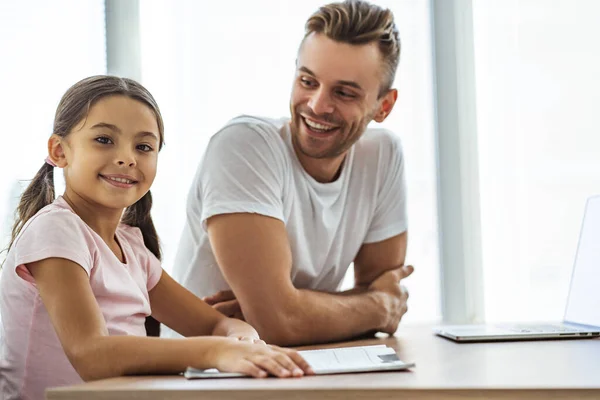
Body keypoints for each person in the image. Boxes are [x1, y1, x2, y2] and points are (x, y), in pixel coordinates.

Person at [0, 76, 312, 400]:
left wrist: (241, 340)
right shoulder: (57, 230)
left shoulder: (133, 248)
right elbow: (90, 355)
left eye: (144, 146)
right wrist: (215, 352)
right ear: (59, 151)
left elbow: (215, 326)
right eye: (104, 140)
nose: (128, 158)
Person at [171, 0, 413, 346]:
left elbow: (382, 294)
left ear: (384, 106)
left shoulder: (383, 155)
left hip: (306, 364)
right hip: (201, 376)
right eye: (307, 81)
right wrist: (369, 308)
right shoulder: (244, 145)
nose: (317, 105)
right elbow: (282, 323)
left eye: (343, 92)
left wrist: (288, 310)